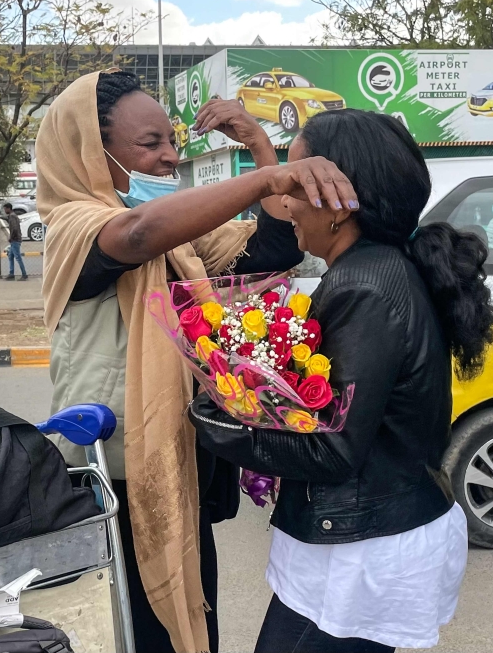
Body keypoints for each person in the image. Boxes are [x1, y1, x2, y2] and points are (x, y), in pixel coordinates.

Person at [37, 69, 354, 653]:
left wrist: (260, 146)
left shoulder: (180, 239)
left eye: (172, 142)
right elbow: (134, 236)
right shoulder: (72, 226)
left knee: (189, 618)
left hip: (178, 466)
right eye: (150, 144)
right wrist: (268, 175)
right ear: (90, 151)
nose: (170, 159)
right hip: (112, 479)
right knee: (131, 632)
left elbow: (272, 247)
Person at [191, 109, 493, 652]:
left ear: (336, 201)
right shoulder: (375, 265)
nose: (283, 205)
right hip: (364, 533)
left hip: (359, 552)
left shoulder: (365, 287)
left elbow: (334, 450)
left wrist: (213, 417)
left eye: (294, 186)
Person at [3, 203, 28, 281]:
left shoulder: (12, 216)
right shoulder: (12, 216)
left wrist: (11, 237)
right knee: (10, 256)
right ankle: (11, 274)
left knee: (18, 257)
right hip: (15, 239)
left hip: (15, 239)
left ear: (8, 209)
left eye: (5, 209)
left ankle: (24, 274)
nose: (4, 210)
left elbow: (14, 228)